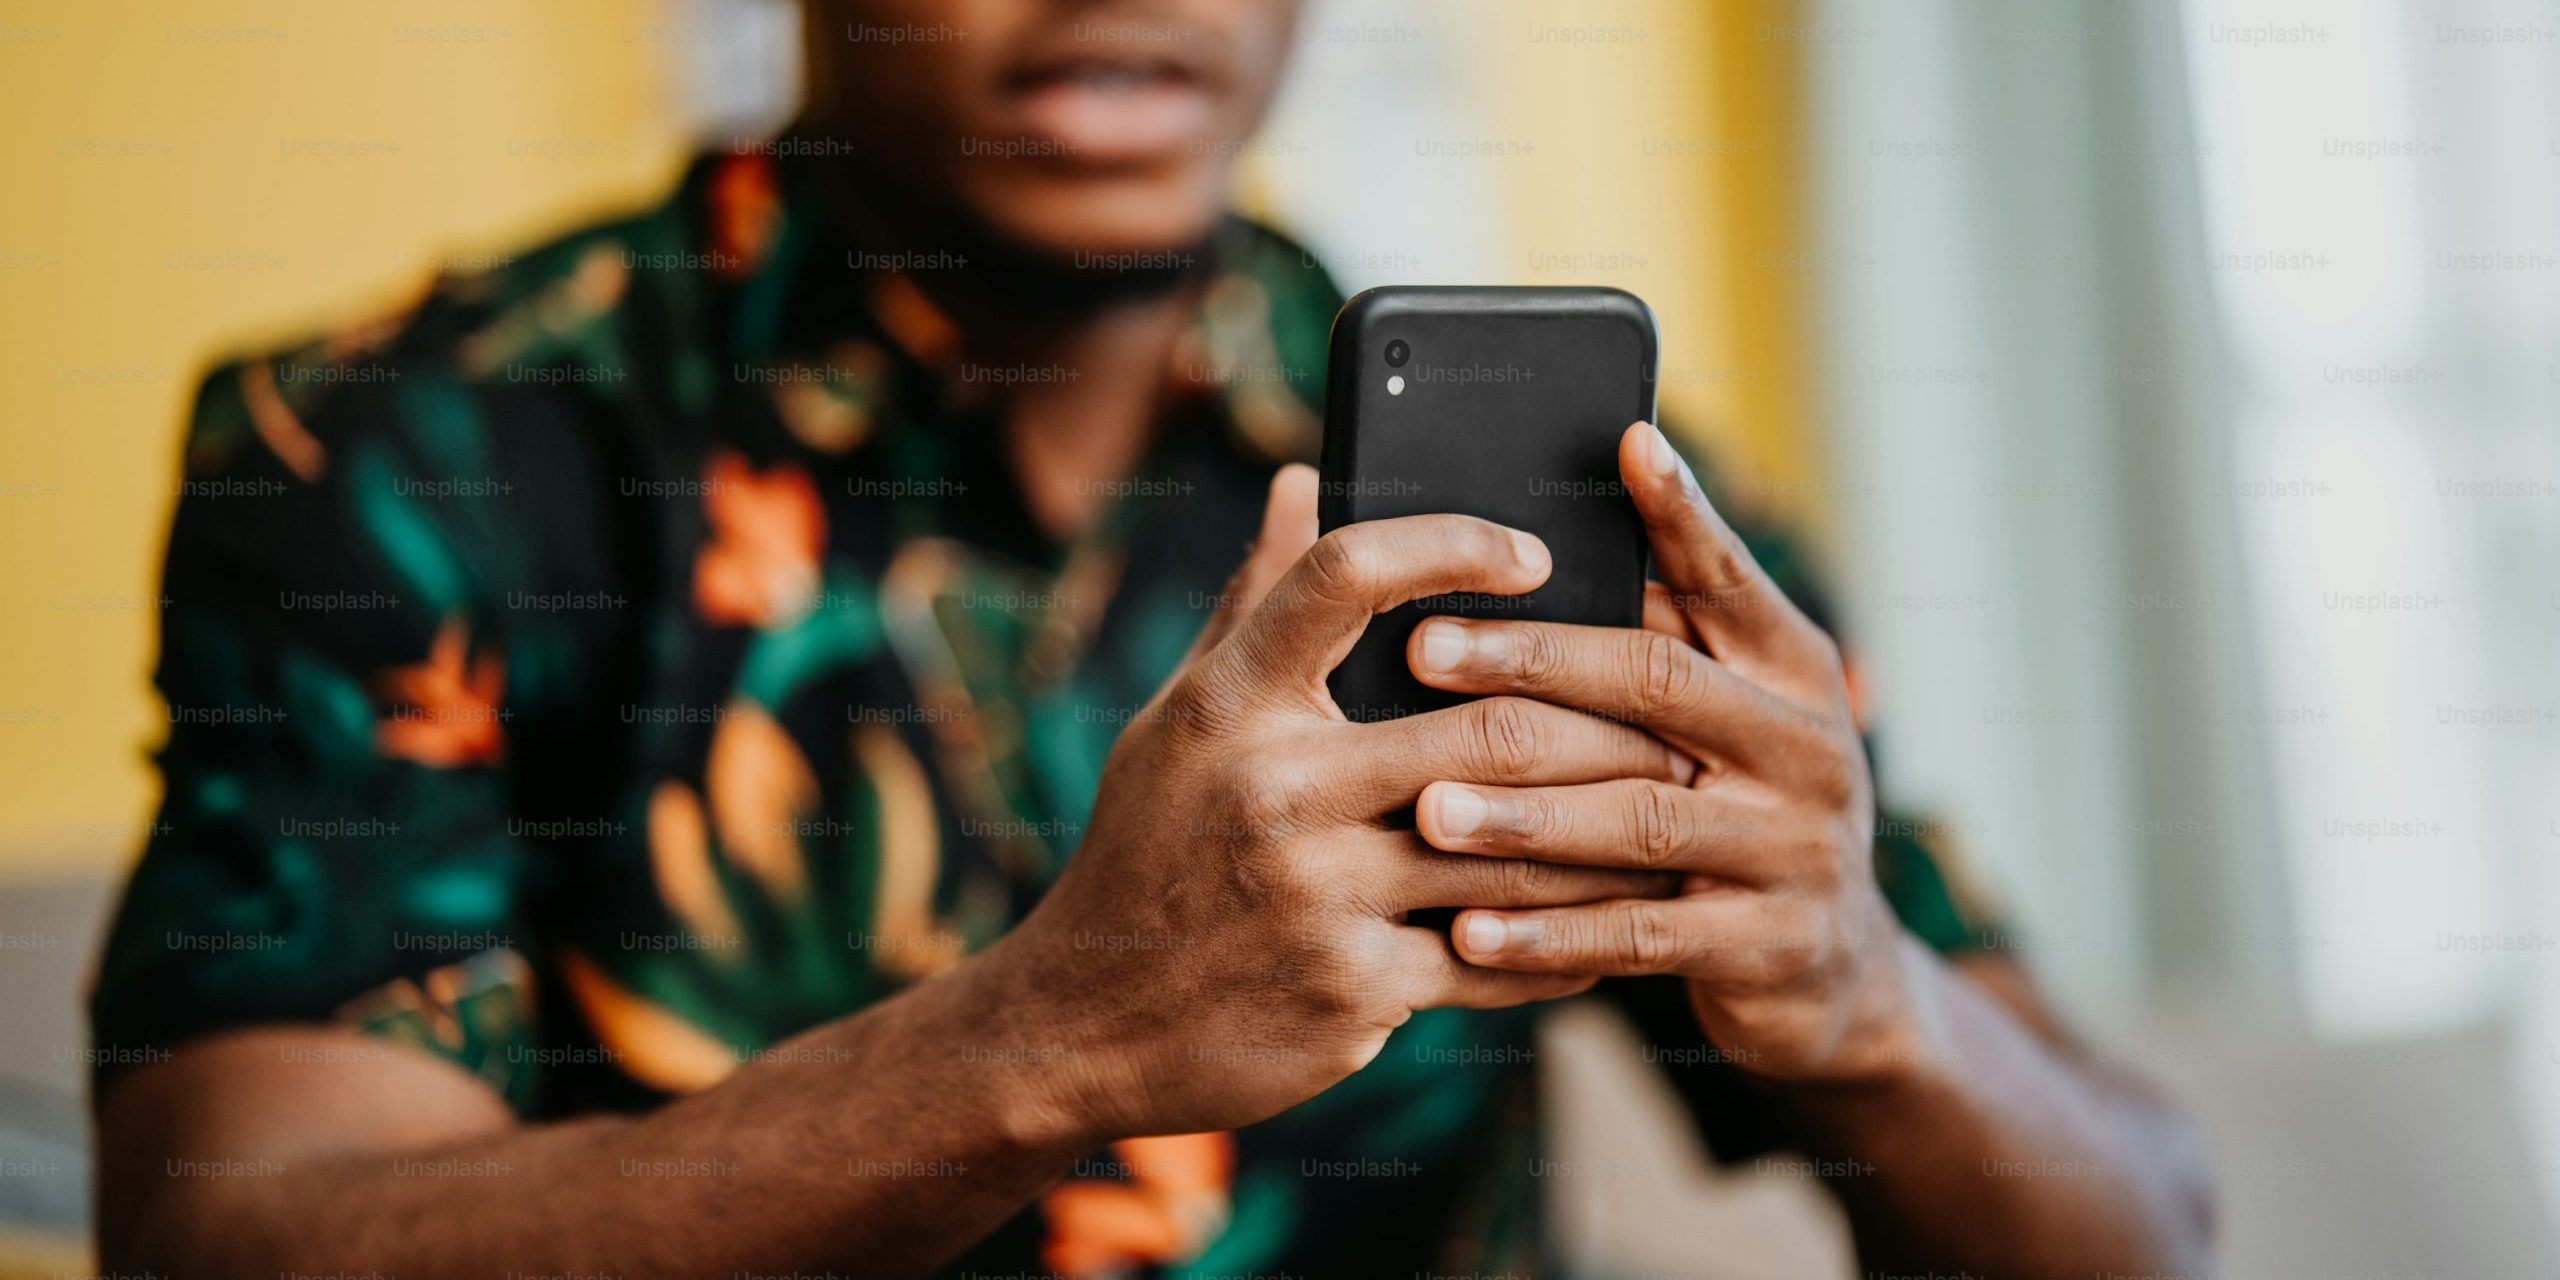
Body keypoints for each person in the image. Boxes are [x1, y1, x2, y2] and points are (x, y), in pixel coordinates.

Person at [89, 1, 2214, 1276]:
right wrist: (1041, 1041)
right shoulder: (406, 454)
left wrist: (1869, 1004)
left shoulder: (1593, 495)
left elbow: (2144, 1226)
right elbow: (242, 1239)